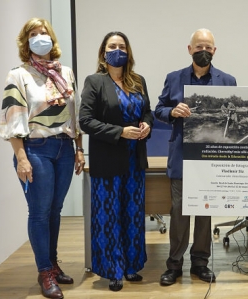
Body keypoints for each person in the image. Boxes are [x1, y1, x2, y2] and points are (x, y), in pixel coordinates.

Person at [0, 18, 84, 299]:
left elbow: (75, 114)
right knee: (39, 212)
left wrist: (79, 148)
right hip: (36, 149)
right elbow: (13, 118)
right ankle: (44, 271)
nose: (39, 38)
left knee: (55, 210)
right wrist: (21, 157)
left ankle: (52, 262)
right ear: (26, 42)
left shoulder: (65, 72)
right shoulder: (18, 74)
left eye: (43, 33)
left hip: (64, 149)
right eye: (33, 34)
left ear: (52, 38)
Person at [155, 28, 236, 286]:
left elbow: (233, 119)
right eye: (198, 47)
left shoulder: (227, 81)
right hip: (182, 156)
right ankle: (174, 264)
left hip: (212, 159)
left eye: (208, 47)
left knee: (205, 211)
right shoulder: (174, 78)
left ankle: (200, 262)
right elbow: (158, 109)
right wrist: (172, 111)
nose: (204, 51)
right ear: (189, 49)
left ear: (215, 50)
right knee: (178, 213)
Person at [79, 31, 153, 292]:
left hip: (135, 161)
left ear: (128, 52)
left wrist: (146, 124)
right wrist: (119, 132)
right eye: (113, 46)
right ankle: (113, 270)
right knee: (108, 216)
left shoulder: (138, 81)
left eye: (122, 46)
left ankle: (131, 265)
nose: (117, 50)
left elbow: (147, 111)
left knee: (132, 215)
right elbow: (85, 120)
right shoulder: (95, 81)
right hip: (107, 160)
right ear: (103, 52)